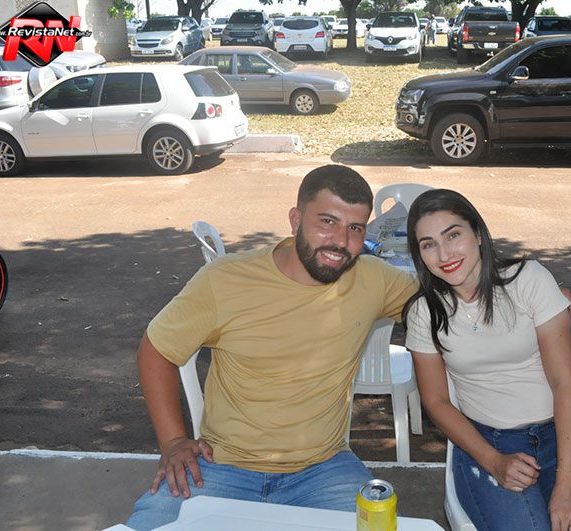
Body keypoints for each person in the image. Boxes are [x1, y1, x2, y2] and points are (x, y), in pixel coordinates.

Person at [125, 165, 418, 530]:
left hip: (324, 468)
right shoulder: (226, 280)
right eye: (327, 221)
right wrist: (173, 441)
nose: (341, 241)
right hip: (221, 466)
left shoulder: (374, 279)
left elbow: (440, 310)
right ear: (295, 220)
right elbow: (156, 349)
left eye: (355, 228)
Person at [402, 189, 571, 531]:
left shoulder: (528, 280)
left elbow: (564, 383)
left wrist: (568, 480)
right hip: (486, 441)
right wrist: (493, 461)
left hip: (559, 435)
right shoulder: (425, 313)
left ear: (478, 234)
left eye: (453, 235)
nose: (444, 254)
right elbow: (436, 401)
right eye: (428, 244)